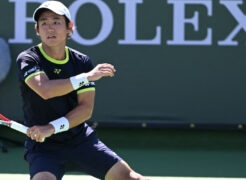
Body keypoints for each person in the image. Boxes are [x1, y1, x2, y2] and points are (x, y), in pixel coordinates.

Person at [15, 1, 149, 180]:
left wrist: (51, 128)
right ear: (37, 30)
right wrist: (86, 77)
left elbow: (85, 109)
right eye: (44, 23)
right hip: (44, 148)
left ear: (69, 27)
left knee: (131, 178)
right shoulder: (29, 59)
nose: (50, 28)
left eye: (56, 22)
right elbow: (45, 90)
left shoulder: (81, 62)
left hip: (81, 141)